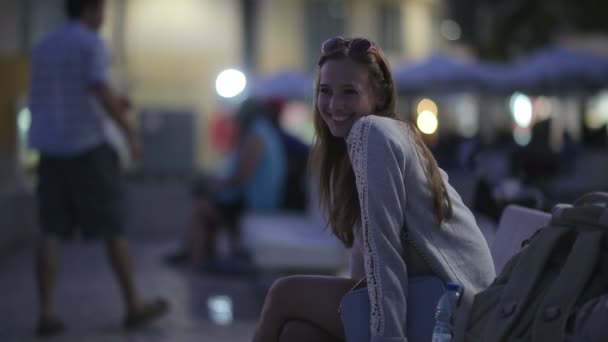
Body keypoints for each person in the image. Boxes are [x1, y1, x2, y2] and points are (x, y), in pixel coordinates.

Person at [251, 37, 496, 342]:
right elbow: (363, 265)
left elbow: (385, 254)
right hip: (440, 300)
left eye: (349, 92)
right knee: (297, 333)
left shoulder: (373, 133)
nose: (334, 105)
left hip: (455, 312)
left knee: (284, 293)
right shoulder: (375, 139)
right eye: (325, 92)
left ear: (378, 96)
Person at [28, 0, 168, 337]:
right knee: (113, 227)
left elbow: (65, 94)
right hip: (88, 148)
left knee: (51, 230)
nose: (104, 16)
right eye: (102, 8)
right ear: (91, 8)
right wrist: (130, 132)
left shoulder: (44, 45)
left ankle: (46, 312)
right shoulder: (91, 43)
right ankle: (133, 305)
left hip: (49, 150)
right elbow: (98, 89)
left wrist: (113, 100)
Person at [166, 98, 287, 271]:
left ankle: (197, 258)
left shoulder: (257, 136)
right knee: (204, 202)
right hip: (251, 197)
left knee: (202, 207)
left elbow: (241, 177)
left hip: (256, 202)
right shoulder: (263, 131)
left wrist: (215, 183)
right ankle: (198, 255)